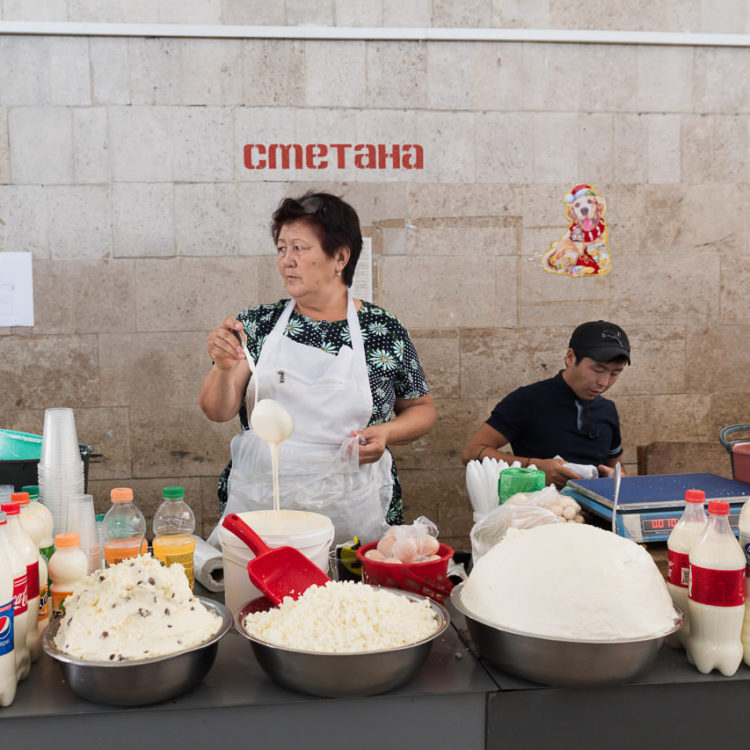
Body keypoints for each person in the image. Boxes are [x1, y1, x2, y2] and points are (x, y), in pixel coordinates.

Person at [200, 192, 436, 543]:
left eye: (299, 248)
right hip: (263, 508)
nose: (287, 261)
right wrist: (221, 368)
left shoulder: (381, 330)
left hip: (353, 508)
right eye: (281, 249)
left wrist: (386, 433)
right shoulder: (256, 325)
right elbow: (218, 410)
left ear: (340, 257)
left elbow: (422, 409)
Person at [462, 320, 630, 488]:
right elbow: (471, 453)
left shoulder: (607, 410)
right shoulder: (527, 400)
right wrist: (534, 468)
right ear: (570, 357)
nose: (604, 382)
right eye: (597, 370)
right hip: (538, 508)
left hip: (596, 510)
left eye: (615, 373)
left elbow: (617, 467)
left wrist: (615, 476)